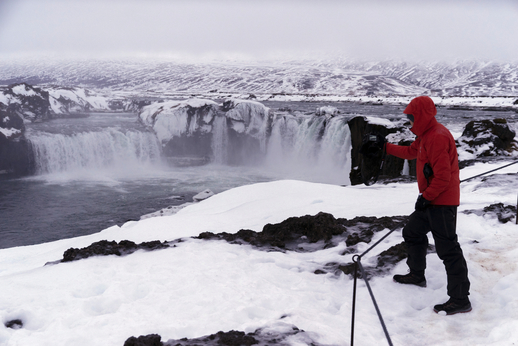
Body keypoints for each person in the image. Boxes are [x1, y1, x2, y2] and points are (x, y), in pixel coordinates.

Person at [364, 95, 471, 315]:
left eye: (411, 116)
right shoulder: (425, 135)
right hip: (431, 199)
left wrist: (427, 196)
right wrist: (385, 147)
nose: (409, 120)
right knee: (412, 232)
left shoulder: (438, 137)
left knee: (449, 250)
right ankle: (417, 274)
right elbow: (411, 153)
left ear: (420, 115)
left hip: (441, 202)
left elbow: (443, 176)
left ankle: (460, 299)